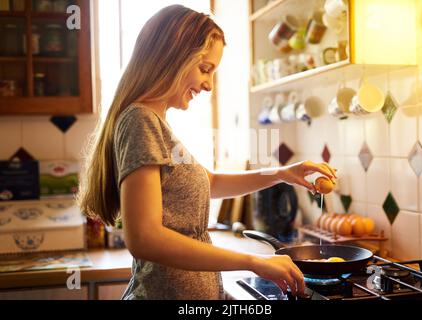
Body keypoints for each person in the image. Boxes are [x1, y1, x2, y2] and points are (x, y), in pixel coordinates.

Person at [77, 4, 337, 300]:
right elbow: (144, 238)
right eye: (205, 69)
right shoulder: (140, 121)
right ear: (172, 57)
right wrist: (255, 263)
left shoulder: (156, 123)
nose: (209, 85)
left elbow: (209, 183)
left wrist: (280, 174)